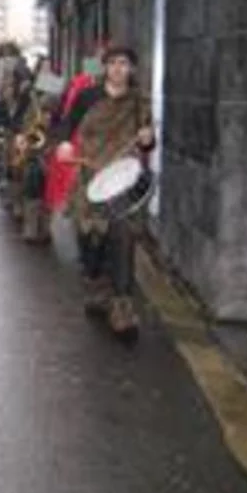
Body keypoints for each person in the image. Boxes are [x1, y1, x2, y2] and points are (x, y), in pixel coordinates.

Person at [55, 44, 155, 341]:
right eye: (112, 63)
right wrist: (64, 143)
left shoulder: (139, 101)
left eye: (123, 63)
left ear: (131, 68)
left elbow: (148, 142)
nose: (117, 69)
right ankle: (96, 287)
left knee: (122, 238)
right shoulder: (88, 96)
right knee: (90, 240)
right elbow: (67, 124)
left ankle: (122, 306)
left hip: (122, 180)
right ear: (105, 67)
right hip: (90, 177)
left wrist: (147, 139)